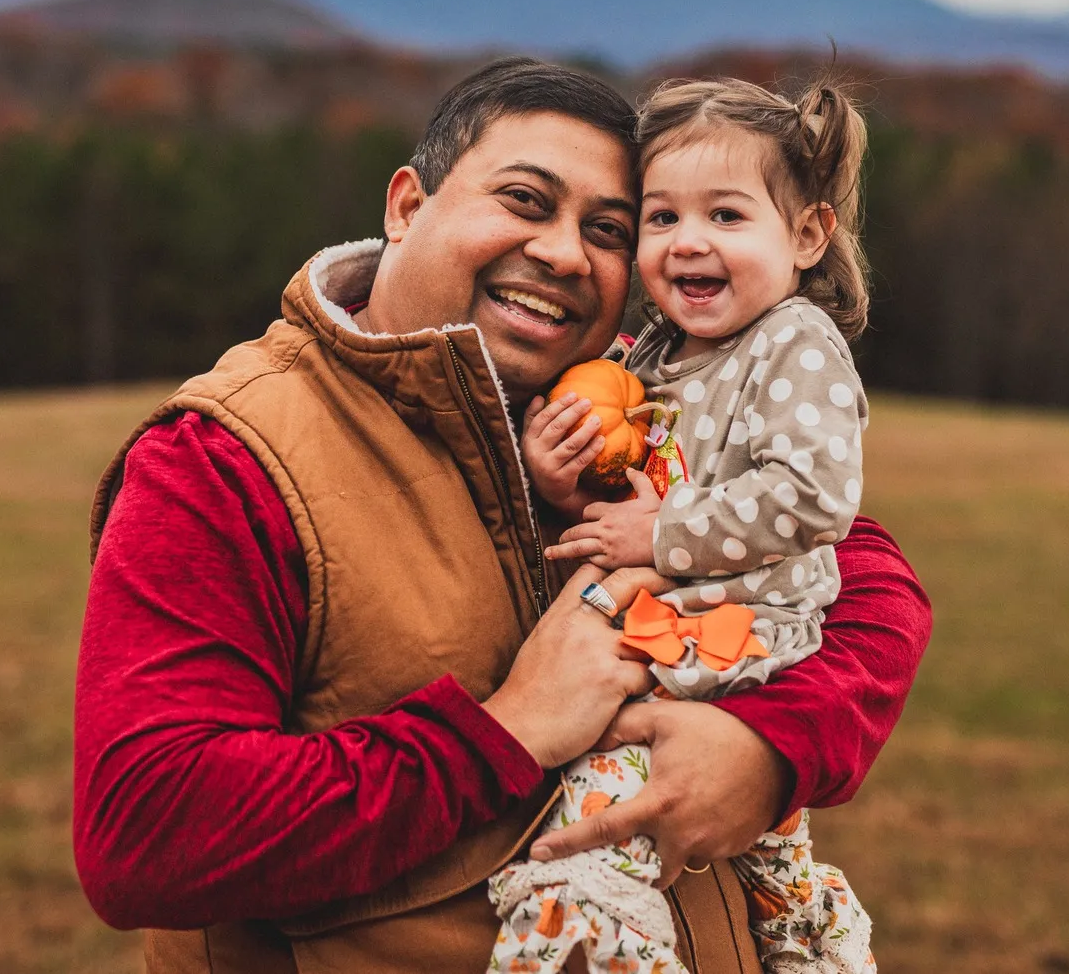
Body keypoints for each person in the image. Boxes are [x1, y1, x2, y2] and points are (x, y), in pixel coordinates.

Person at [73, 57, 933, 973]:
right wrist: (508, 730)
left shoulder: (601, 411)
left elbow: (871, 580)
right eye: (525, 200)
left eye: (606, 227)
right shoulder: (222, 461)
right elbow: (146, 832)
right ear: (407, 204)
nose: (565, 253)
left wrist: (768, 745)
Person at [491, 77, 879, 973]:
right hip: (677, 624)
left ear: (808, 235)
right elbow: (636, 482)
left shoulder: (793, 341)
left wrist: (659, 540)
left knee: (594, 819)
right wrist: (563, 474)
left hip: (734, 637)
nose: (689, 241)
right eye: (660, 218)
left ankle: (592, 942)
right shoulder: (657, 347)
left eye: (728, 216)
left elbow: (815, 497)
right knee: (766, 849)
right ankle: (807, 945)